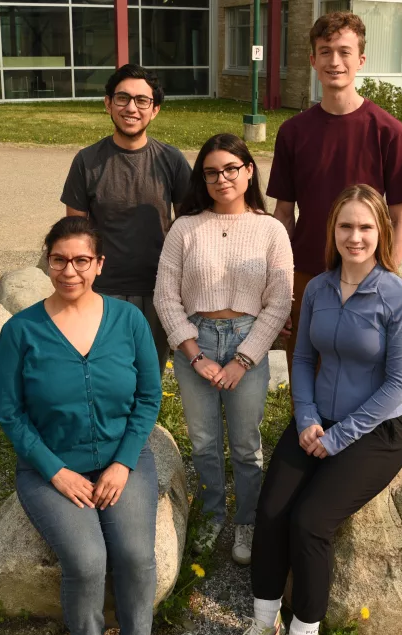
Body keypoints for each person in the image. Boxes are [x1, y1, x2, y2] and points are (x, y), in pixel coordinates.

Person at [236, 186, 402, 635]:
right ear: (332, 230)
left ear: (380, 230)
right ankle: (264, 621)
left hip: (374, 434)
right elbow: (300, 359)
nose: (354, 237)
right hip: (315, 422)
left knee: (310, 521)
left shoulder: (398, 298)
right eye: (345, 226)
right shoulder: (318, 287)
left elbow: (398, 386)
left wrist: (338, 439)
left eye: (365, 227)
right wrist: (306, 420)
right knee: (272, 509)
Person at [0, 216, 163, 635]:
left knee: (136, 557)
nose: (70, 271)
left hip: (122, 458)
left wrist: (123, 464)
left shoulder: (129, 320)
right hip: (50, 465)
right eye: (59, 260)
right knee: (87, 561)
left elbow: (148, 397)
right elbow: (10, 413)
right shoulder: (20, 332)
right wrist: (55, 471)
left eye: (81, 260)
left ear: (100, 264)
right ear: (47, 263)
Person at [154, 133, 294, 565]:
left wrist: (243, 360)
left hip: (247, 339)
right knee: (203, 440)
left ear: (249, 171)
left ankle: (247, 520)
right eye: (211, 172)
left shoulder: (271, 230)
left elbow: (279, 301)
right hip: (195, 339)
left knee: (247, 442)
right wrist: (194, 354)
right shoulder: (185, 228)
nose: (221, 179)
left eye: (230, 169)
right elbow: (165, 297)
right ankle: (213, 512)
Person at [266, 11, 402, 384]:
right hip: (306, 273)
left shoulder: (389, 131)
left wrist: (386, 277)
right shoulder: (292, 132)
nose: (335, 61)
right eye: (326, 51)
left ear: (361, 60)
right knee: (303, 370)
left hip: (367, 275)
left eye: (345, 52)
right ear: (313, 59)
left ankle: (356, 442)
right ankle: (304, 439)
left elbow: (400, 216)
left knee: (364, 373)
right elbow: (283, 214)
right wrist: (280, 288)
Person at [62, 63, 192, 373]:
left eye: (142, 100)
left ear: (154, 109)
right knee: (104, 375)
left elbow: (192, 227)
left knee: (149, 375)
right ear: (108, 103)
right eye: (122, 98)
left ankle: (144, 424)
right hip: (102, 292)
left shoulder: (170, 160)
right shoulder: (87, 161)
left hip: (158, 289)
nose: (131, 108)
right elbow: (74, 235)